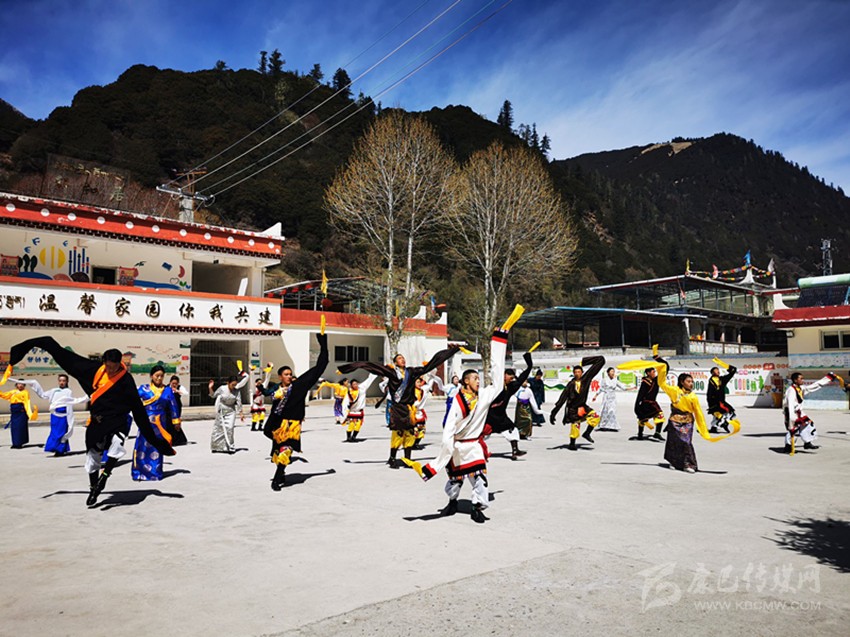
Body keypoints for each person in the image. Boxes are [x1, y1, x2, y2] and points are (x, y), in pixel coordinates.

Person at [7, 337, 175, 506]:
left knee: (116, 445)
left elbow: (138, 410)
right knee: (93, 456)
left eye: (114, 367)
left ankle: (105, 476)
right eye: (108, 366)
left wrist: (156, 441)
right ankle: (94, 487)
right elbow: (63, 356)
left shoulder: (126, 380)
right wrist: (35, 345)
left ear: (120, 364)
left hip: (118, 420)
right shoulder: (93, 370)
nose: (111, 370)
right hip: (98, 421)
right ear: (104, 362)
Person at [418, 325, 513, 524]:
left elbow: (497, 381)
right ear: (466, 381)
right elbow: (449, 427)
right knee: (455, 481)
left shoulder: (484, 396)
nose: (479, 381)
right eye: (475, 378)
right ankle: (452, 501)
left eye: (479, 378)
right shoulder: (457, 401)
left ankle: (477, 507)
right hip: (458, 446)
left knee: (480, 478)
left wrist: (498, 343)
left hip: (475, 446)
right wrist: (446, 448)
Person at [338, 345, 460, 469]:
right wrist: (347, 368)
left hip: (409, 408)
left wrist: (452, 351)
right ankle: (392, 458)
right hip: (397, 408)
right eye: (400, 358)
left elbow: (427, 367)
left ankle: (407, 459)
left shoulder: (411, 372)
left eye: (403, 358)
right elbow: (372, 367)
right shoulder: (391, 373)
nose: (403, 359)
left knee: (410, 433)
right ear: (395, 362)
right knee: (398, 433)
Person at [263, 333, 328, 490]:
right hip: (277, 425)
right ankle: (281, 472)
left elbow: (320, 367)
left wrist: (323, 344)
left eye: (290, 374)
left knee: (286, 452)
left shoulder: (299, 386)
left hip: (292, 426)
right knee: (278, 453)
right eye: (286, 374)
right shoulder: (276, 390)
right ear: (280, 377)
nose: (289, 376)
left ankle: (276, 479)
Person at [13, 374, 88, 456]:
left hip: (63, 415)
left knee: (62, 432)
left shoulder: (68, 391)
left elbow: (69, 403)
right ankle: (55, 448)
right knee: (54, 432)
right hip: (54, 415)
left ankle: (60, 450)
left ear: (67, 382)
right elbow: (43, 395)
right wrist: (34, 384)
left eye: (63, 381)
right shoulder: (54, 391)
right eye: (60, 380)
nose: (62, 382)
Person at [655, 356, 707, 473]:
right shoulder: (675, 391)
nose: (691, 384)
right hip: (674, 420)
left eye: (692, 381)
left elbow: (698, 412)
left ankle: (689, 464)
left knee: (686, 442)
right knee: (673, 442)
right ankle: (673, 462)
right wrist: (662, 366)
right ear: (682, 382)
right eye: (688, 381)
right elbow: (662, 383)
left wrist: (702, 427)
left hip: (687, 421)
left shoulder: (693, 396)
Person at [132, 365, 182, 481]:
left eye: (161, 376)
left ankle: (155, 473)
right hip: (145, 422)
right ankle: (139, 472)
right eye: (157, 376)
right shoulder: (144, 389)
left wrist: (176, 421)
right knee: (142, 446)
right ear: (151, 376)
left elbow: (173, 406)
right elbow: (133, 400)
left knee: (157, 446)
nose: (159, 378)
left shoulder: (167, 390)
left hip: (160, 423)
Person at [549, 356, 606, 450]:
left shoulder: (586, 379)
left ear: (582, 373)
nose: (577, 374)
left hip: (583, 406)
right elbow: (562, 399)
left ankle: (587, 433)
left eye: (579, 372)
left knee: (595, 417)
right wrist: (554, 412)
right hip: (573, 409)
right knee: (575, 425)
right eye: (575, 372)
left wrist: (584, 362)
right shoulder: (570, 385)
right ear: (573, 373)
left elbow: (601, 360)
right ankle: (572, 444)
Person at [487, 353, 534, 460]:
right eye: (510, 377)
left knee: (513, 429)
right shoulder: (494, 387)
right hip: (489, 416)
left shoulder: (510, 387)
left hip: (501, 416)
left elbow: (521, 379)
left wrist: (529, 366)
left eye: (513, 378)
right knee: (480, 434)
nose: (511, 379)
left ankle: (515, 450)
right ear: (503, 375)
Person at [783, 372, 834, 453]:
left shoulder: (801, 388)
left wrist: (828, 378)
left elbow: (814, 386)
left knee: (807, 424)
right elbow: (790, 404)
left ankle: (807, 442)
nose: (803, 380)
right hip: (791, 412)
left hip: (799, 412)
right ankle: (788, 446)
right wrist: (792, 418)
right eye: (801, 378)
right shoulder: (791, 390)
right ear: (795, 380)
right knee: (793, 429)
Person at [208, 370, 249, 454]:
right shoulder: (222, 389)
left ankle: (230, 447)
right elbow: (213, 395)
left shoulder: (236, 391)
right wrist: (210, 388)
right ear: (228, 383)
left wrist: (241, 413)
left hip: (231, 411)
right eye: (232, 385)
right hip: (222, 410)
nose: (234, 386)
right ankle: (216, 447)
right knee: (219, 429)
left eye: (235, 385)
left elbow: (239, 401)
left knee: (230, 428)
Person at [340, 374, 378, 442]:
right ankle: (348, 437)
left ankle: (354, 437)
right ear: (351, 385)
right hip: (352, 411)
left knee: (358, 425)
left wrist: (373, 374)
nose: (355, 385)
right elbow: (345, 402)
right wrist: (344, 412)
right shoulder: (350, 393)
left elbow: (368, 381)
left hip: (359, 411)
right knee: (351, 424)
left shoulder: (362, 389)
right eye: (354, 384)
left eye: (356, 384)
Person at [1, 380, 37, 449]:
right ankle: (15, 443)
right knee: (14, 428)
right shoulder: (13, 392)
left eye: (22, 384)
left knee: (20, 427)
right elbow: (4, 395)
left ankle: (19, 443)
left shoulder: (25, 392)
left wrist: (29, 413)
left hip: (21, 411)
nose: (20, 385)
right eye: (18, 384)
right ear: (16, 385)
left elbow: (26, 402)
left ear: (24, 385)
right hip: (14, 411)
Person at [633, 366, 665, 441]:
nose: (655, 373)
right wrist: (637, 407)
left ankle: (657, 433)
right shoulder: (645, 383)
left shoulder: (655, 380)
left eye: (655, 372)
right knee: (643, 418)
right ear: (648, 373)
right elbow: (640, 395)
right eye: (653, 372)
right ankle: (640, 434)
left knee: (660, 415)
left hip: (653, 403)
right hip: (646, 404)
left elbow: (664, 372)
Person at [593, 367, 627, 432]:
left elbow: (622, 387)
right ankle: (603, 426)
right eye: (611, 371)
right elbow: (601, 388)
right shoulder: (604, 380)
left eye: (613, 371)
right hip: (606, 397)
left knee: (612, 411)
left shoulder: (615, 380)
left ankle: (613, 426)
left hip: (612, 397)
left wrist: (631, 388)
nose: (613, 373)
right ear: (608, 373)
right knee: (604, 411)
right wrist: (595, 396)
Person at [706, 364, 738, 434]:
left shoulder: (722, 379)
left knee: (730, 412)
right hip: (714, 401)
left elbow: (733, 371)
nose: (718, 371)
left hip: (721, 401)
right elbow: (709, 393)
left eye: (718, 370)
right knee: (717, 414)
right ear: (712, 372)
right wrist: (709, 402)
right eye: (716, 370)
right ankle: (716, 427)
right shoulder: (711, 381)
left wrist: (729, 368)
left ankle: (723, 423)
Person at [249, 364, 273, 432]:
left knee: (262, 415)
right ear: (256, 383)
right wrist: (252, 371)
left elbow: (267, 379)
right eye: (258, 382)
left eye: (261, 382)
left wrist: (269, 370)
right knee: (255, 415)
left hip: (261, 404)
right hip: (255, 404)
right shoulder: (254, 388)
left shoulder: (263, 387)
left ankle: (260, 426)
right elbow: (252, 380)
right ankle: (253, 427)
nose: (260, 383)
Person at [167, 375, 189, 446]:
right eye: (173, 383)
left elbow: (186, 393)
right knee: (169, 422)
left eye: (176, 383)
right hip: (168, 407)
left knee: (176, 423)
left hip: (177, 407)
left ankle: (180, 440)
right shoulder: (167, 388)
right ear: (170, 382)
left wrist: (177, 391)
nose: (174, 385)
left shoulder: (180, 387)